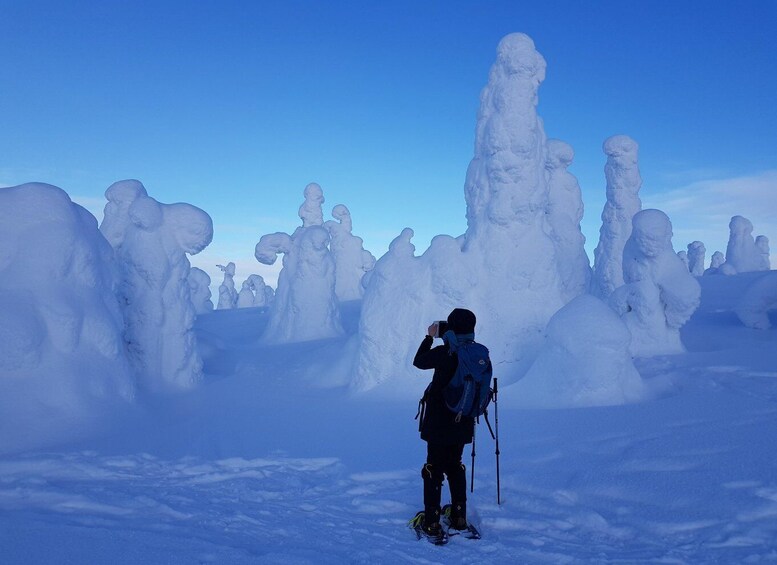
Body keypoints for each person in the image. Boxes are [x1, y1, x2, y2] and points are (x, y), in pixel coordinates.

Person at [413, 307, 482, 536]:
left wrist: (429, 337)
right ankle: (459, 516)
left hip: (439, 422)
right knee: (455, 464)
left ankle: (432, 521)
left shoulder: (445, 353)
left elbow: (419, 361)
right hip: (463, 421)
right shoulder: (476, 354)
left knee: (434, 466)